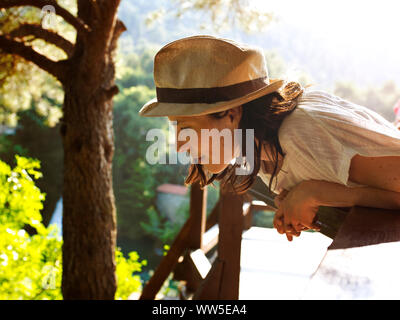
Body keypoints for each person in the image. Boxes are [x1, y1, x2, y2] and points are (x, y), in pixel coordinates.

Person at [139, 35, 400, 241]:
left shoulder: (300, 131)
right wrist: (301, 203)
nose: (179, 144)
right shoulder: (262, 152)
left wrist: (313, 192)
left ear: (231, 114)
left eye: (185, 127)